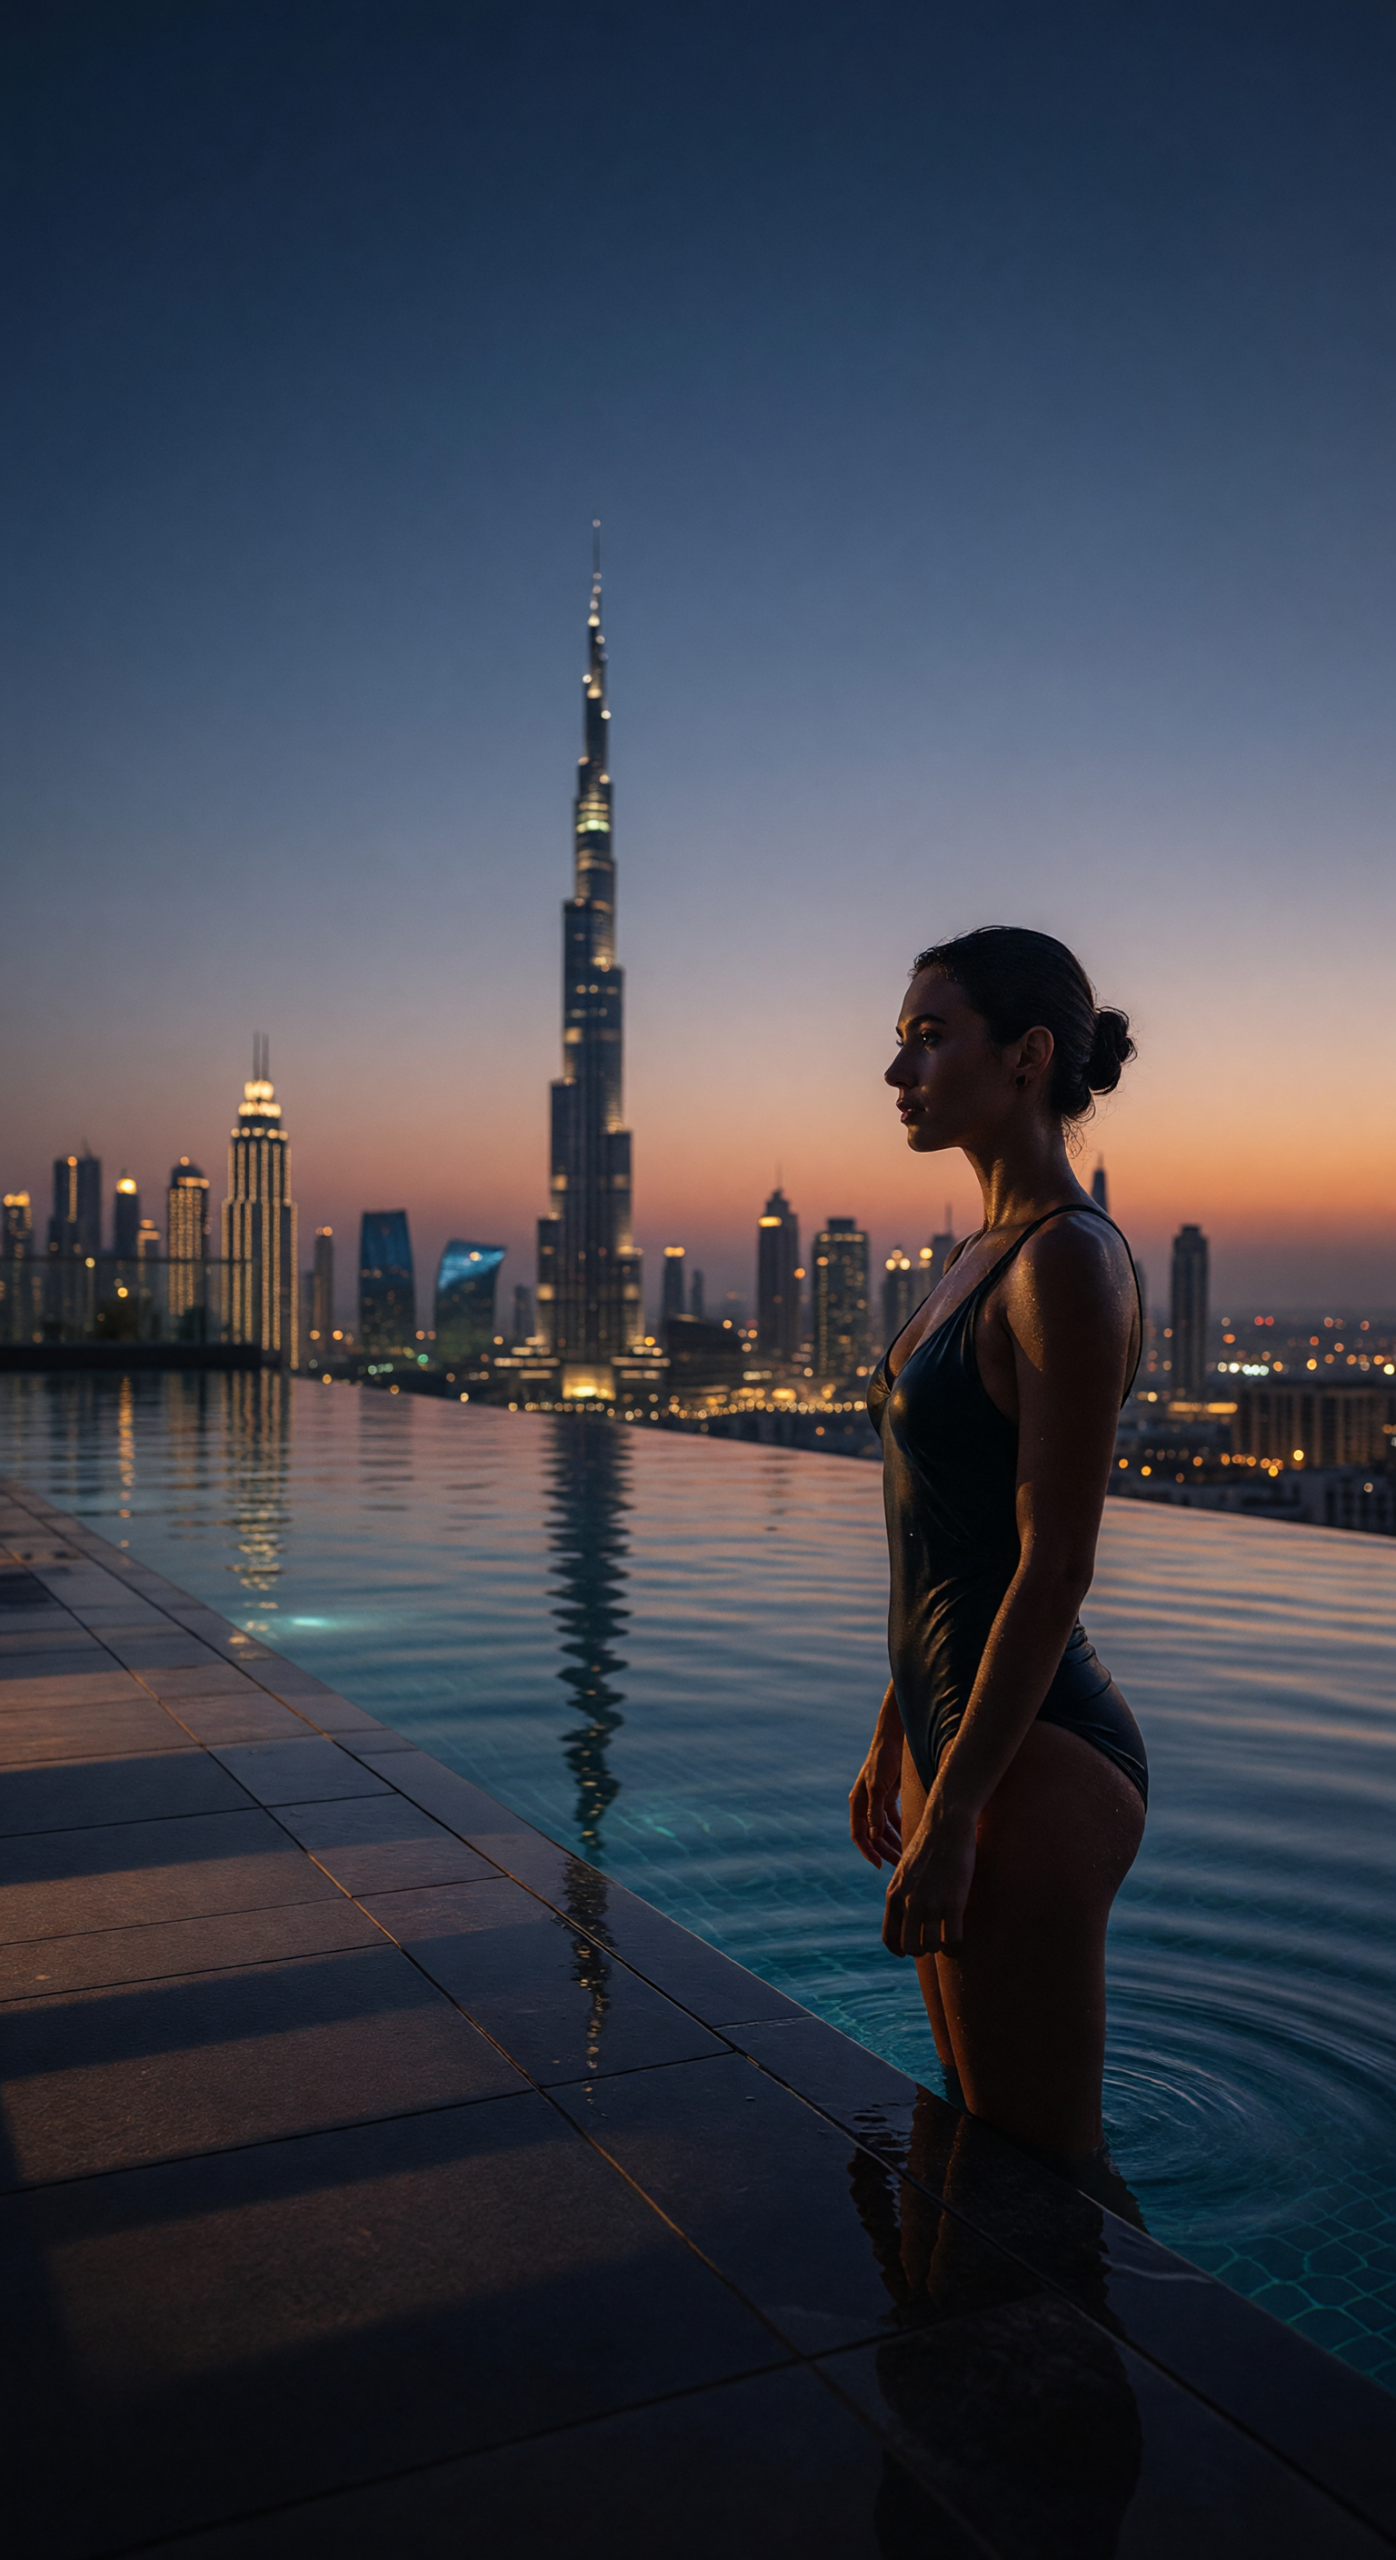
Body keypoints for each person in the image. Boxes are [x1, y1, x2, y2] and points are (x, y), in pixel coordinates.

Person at [850, 926, 1146, 2196]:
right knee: (971, 2137)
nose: (895, 1066)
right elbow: (941, 1535)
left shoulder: (1065, 1262)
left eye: (928, 1032)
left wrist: (960, 1798)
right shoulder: (974, 1253)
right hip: (960, 1743)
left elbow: (1053, 1564)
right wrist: (893, 1731)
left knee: (1043, 2176)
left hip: (1028, 1763)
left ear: (1026, 1059)